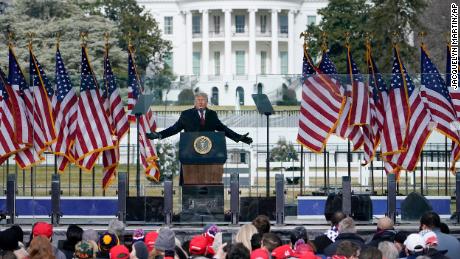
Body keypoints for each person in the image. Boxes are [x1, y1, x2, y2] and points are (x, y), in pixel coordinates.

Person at [147, 92, 252, 144]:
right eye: (198, 100)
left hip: (209, 151)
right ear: (194, 102)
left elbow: (223, 129)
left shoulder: (212, 114)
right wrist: (158, 134)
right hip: (190, 151)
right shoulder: (186, 114)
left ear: (207, 102)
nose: (200, 102)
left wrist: (238, 138)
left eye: (203, 100)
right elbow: (174, 129)